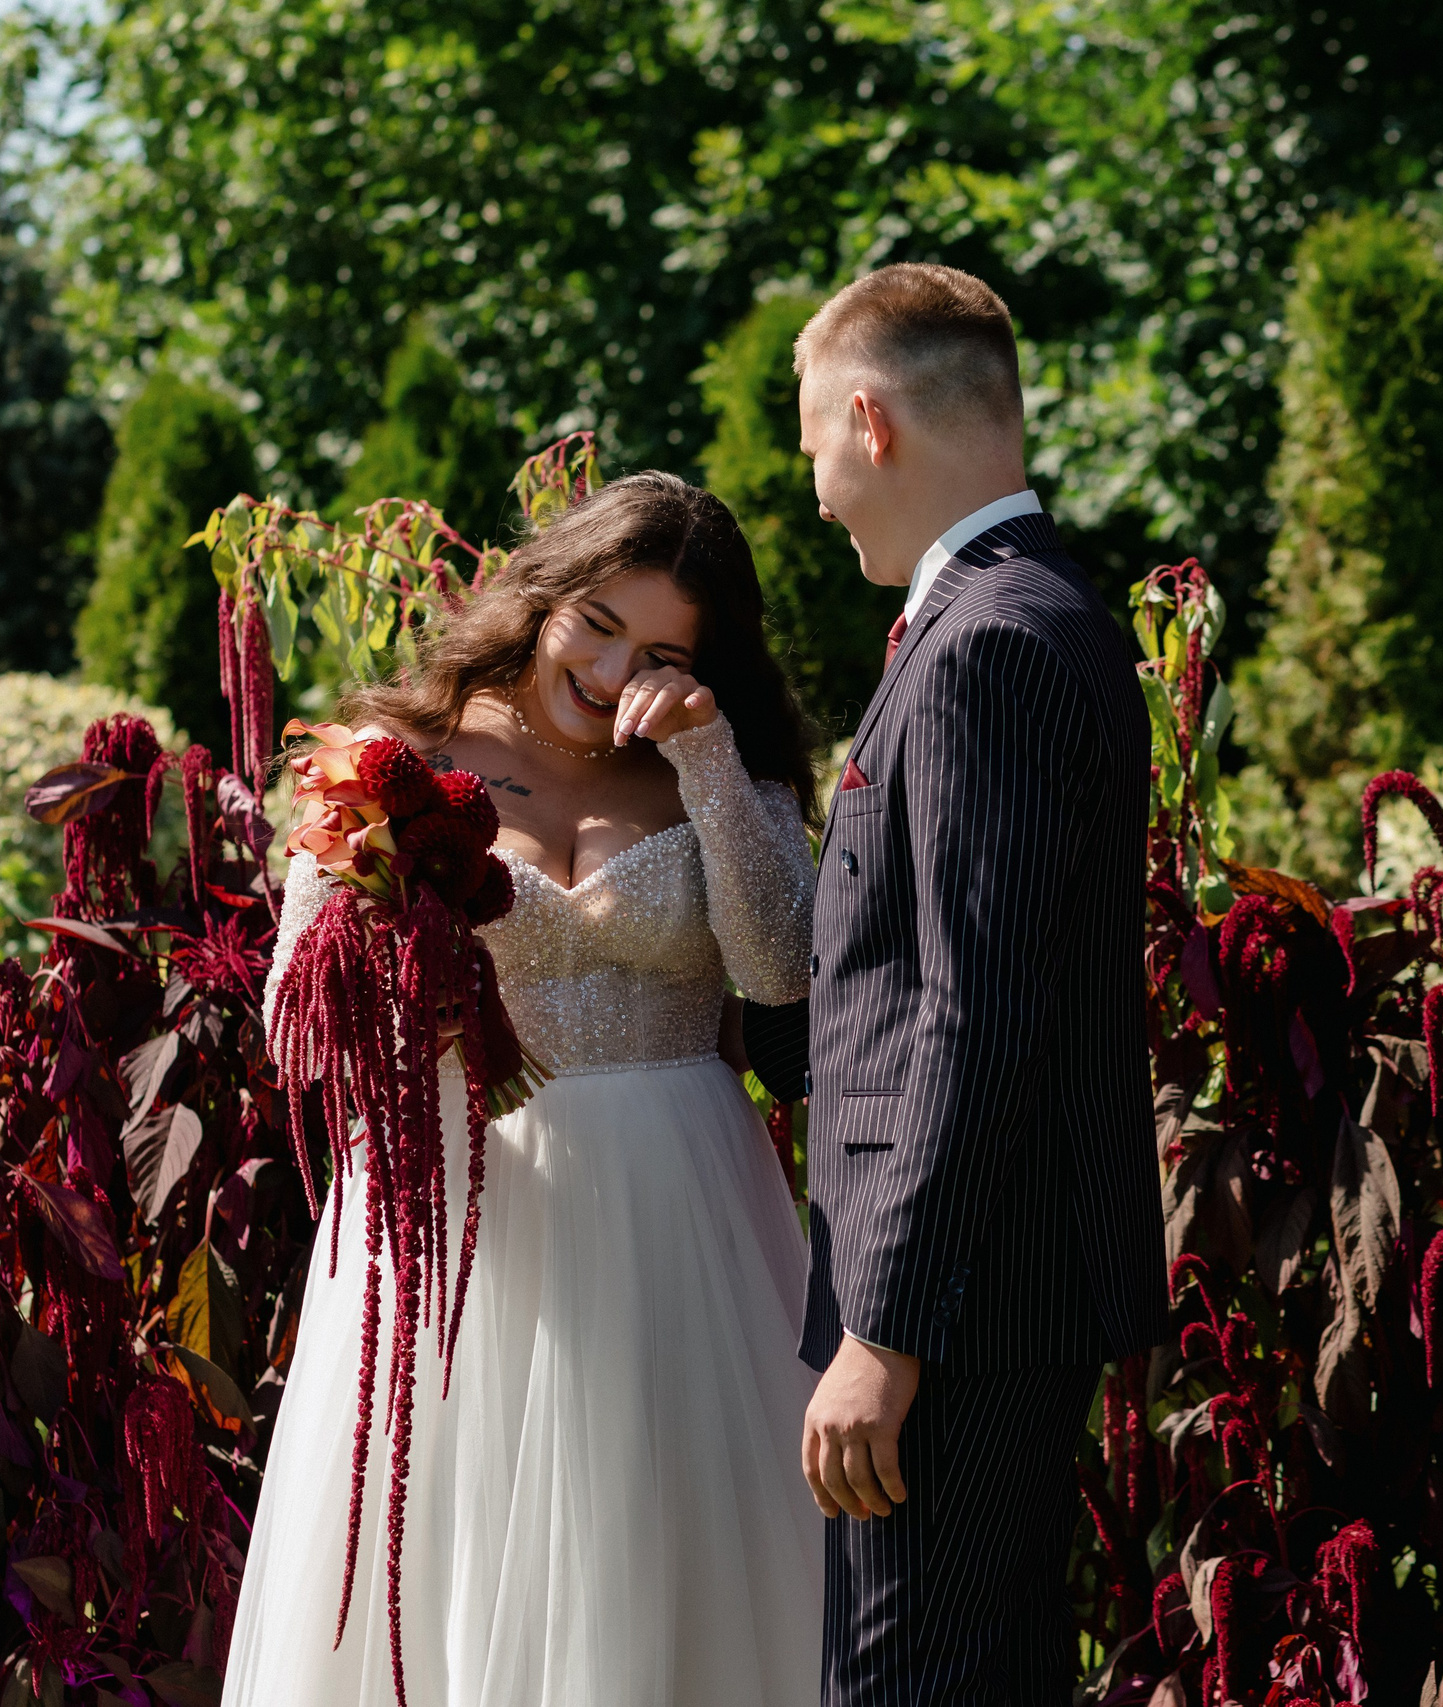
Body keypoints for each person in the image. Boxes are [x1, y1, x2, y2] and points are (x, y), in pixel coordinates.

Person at [223, 471, 828, 1705]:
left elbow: (777, 970)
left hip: (683, 1220)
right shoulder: (392, 757)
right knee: (453, 1564)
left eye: (660, 649)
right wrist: (393, 955)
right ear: (544, 596)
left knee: (671, 1565)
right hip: (462, 1220)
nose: (614, 672)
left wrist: (706, 758)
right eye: (597, 625)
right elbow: (296, 1008)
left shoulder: (718, 765)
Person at [752, 263, 1168, 1702]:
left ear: (870, 420)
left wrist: (888, 1329)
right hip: (992, 1291)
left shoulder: (985, 644)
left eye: (810, 442)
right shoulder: (1024, 613)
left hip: (964, 1306)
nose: (813, 489)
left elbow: (976, 1014)